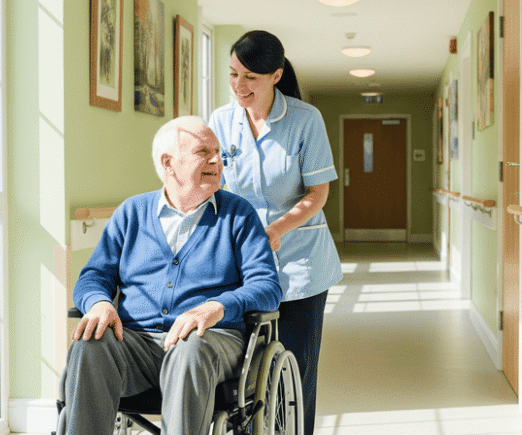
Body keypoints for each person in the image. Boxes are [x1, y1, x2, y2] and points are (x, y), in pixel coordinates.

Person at [63, 115, 282, 435]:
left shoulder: (238, 214)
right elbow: (94, 275)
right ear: (169, 163)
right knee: (89, 344)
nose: (216, 160)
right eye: (203, 152)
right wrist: (98, 303)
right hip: (135, 342)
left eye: (218, 152)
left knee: (190, 347)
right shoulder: (132, 213)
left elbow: (267, 286)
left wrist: (216, 307)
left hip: (210, 341)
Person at [208, 30, 341, 435]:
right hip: (244, 264)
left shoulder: (305, 119)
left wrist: (277, 228)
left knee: (296, 373)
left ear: (276, 75)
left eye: (250, 77)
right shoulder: (221, 120)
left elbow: (318, 193)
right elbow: (214, 186)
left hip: (301, 263)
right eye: (233, 73)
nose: (239, 85)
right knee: (242, 376)